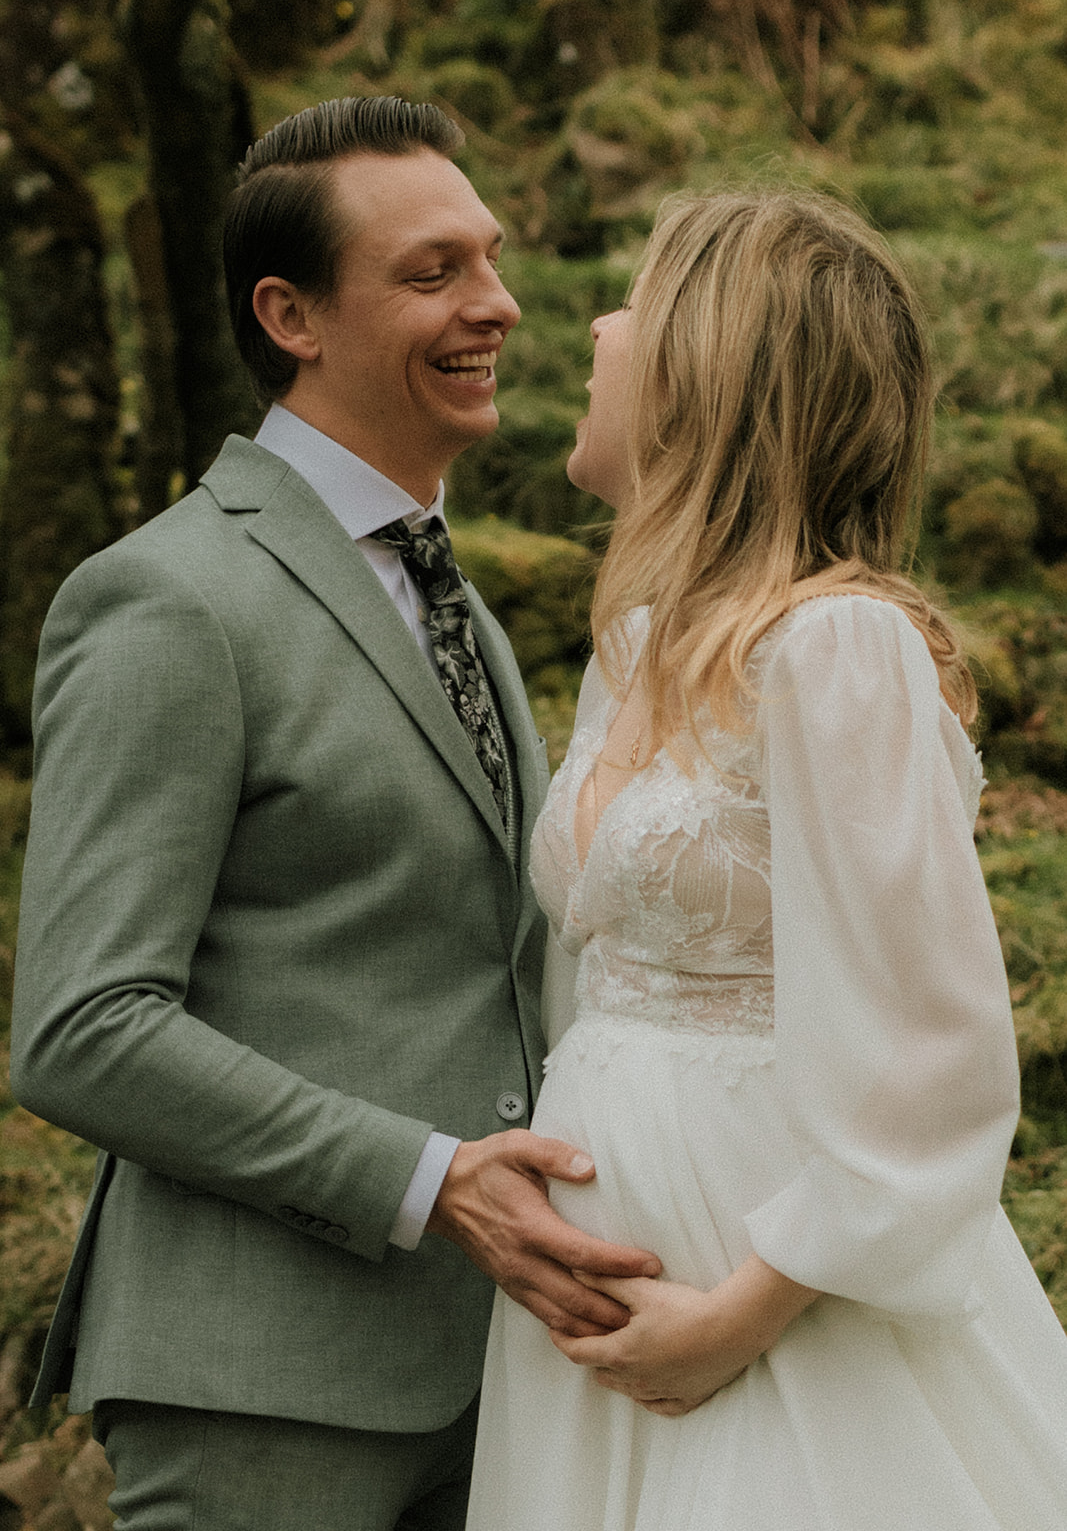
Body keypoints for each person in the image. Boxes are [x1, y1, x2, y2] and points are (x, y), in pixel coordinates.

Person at [9, 95, 660, 1531]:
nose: (493, 305)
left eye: (488, 261)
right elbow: (79, 1028)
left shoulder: (454, 596)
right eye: (432, 274)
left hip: (500, 1373)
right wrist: (432, 1183)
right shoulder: (166, 599)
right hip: (260, 1382)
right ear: (290, 316)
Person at [465, 187, 1067, 1530]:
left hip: (768, 1299)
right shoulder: (629, 651)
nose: (602, 324)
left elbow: (936, 1046)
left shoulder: (837, 653)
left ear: (710, 374)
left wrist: (739, 1313)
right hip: (601, 1290)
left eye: (641, 298)